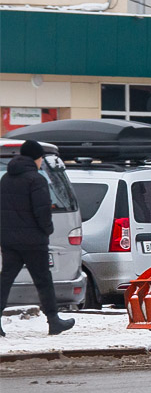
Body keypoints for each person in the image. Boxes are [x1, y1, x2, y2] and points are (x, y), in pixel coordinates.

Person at [0, 140, 75, 336]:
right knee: (43, 281)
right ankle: (54, 321)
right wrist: (47, 230)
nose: (41, 161)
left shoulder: (6, 178)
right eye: (41, 157)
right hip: (34, 240)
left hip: (9, 241)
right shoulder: (36, 179)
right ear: (36, 157)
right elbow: (42, 210)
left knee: (5, 280)